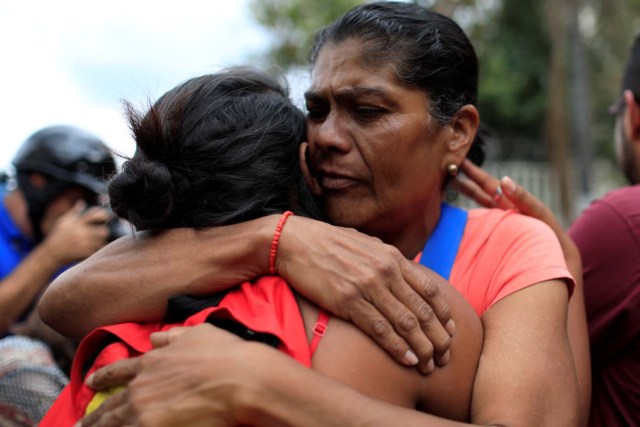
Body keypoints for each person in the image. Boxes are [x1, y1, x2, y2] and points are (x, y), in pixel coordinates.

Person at [41, 2, 586, 426]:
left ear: (458, 132)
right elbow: (64, 302)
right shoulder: (284, 223)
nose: (325, 137)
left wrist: (266, 388)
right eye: (317, 109)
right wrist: (275, 240)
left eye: (367, 112)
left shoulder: (508, 247)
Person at [40, 67, 484, 426]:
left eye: (367, 111)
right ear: (305, 171)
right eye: (317, 113)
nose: (334, 138)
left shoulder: (113, 323)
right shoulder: (424, 315)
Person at [0, 125, 116, 426]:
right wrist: (51, 254)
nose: (83, 214)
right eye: (76, 201)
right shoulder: (56, 245)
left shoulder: (69, 242)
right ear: (39, 184)